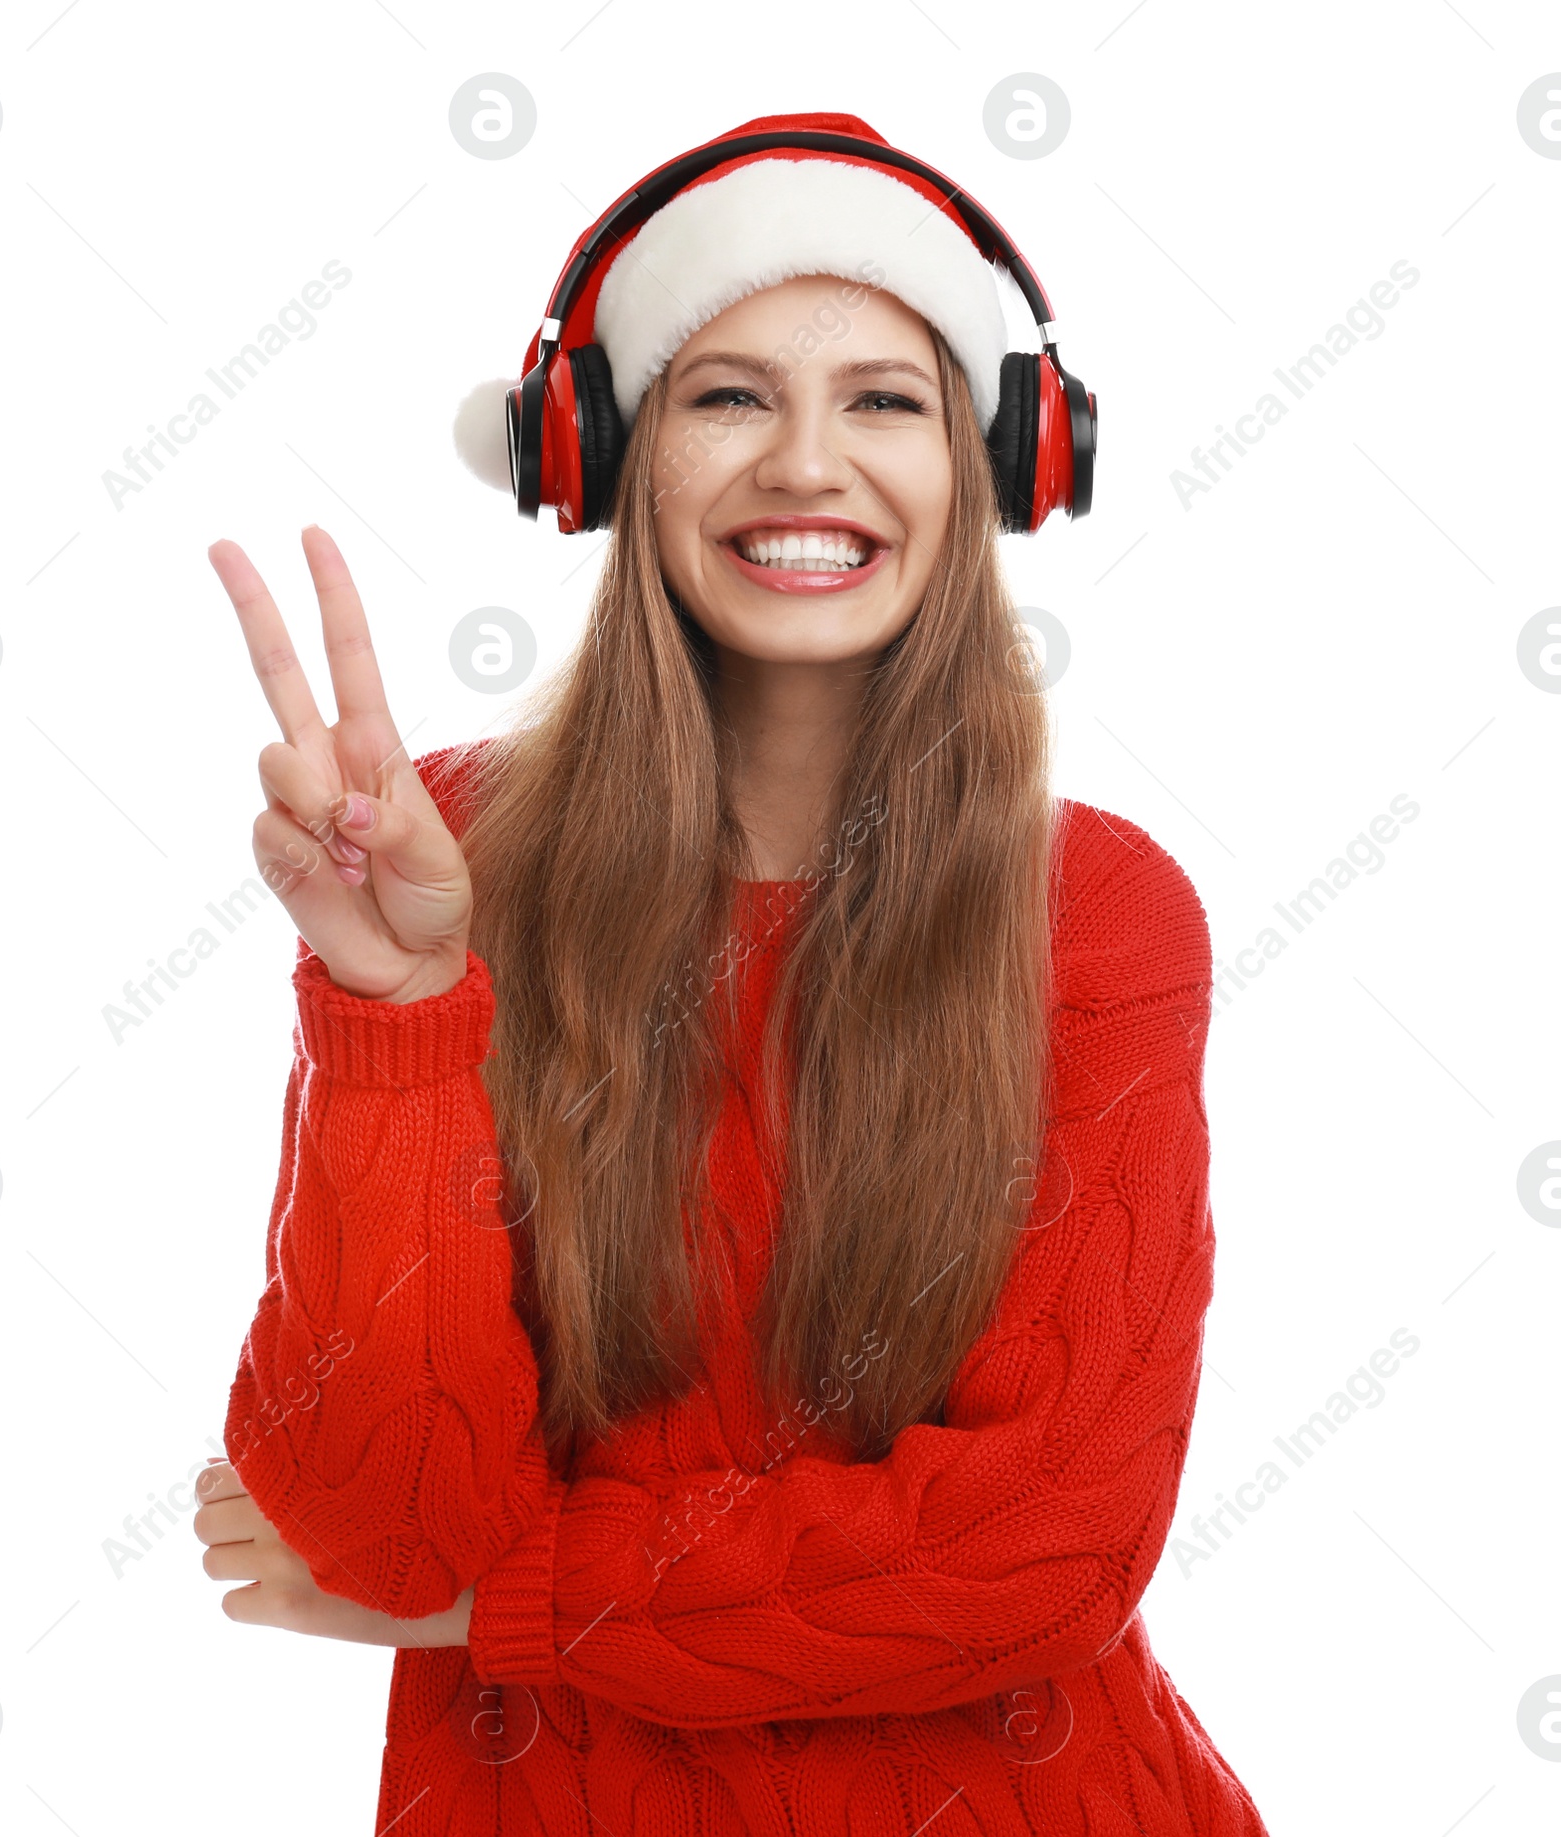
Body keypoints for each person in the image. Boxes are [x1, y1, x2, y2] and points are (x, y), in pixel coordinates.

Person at [194, 112, 1268, 1837]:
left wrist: (513, 1601)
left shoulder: (1100, 911)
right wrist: (396, 1013)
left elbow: (1036, 1541)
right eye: (729, 396)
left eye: (885, 402)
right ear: (610, 452)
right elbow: (368, 1529)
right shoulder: (446, 850)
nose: (806, 463)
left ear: (997, 458)